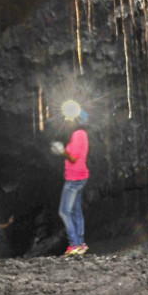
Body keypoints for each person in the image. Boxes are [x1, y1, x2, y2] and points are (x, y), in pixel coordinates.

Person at [51, 106, 90, 256]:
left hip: (74, 178)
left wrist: (62, 151)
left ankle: (74, 244)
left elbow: (73, 158)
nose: (68, 121)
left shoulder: (77, 135)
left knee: (64, 211)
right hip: (80, 177)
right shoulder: (83, 134)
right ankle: (81, 244)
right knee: (76, 211)